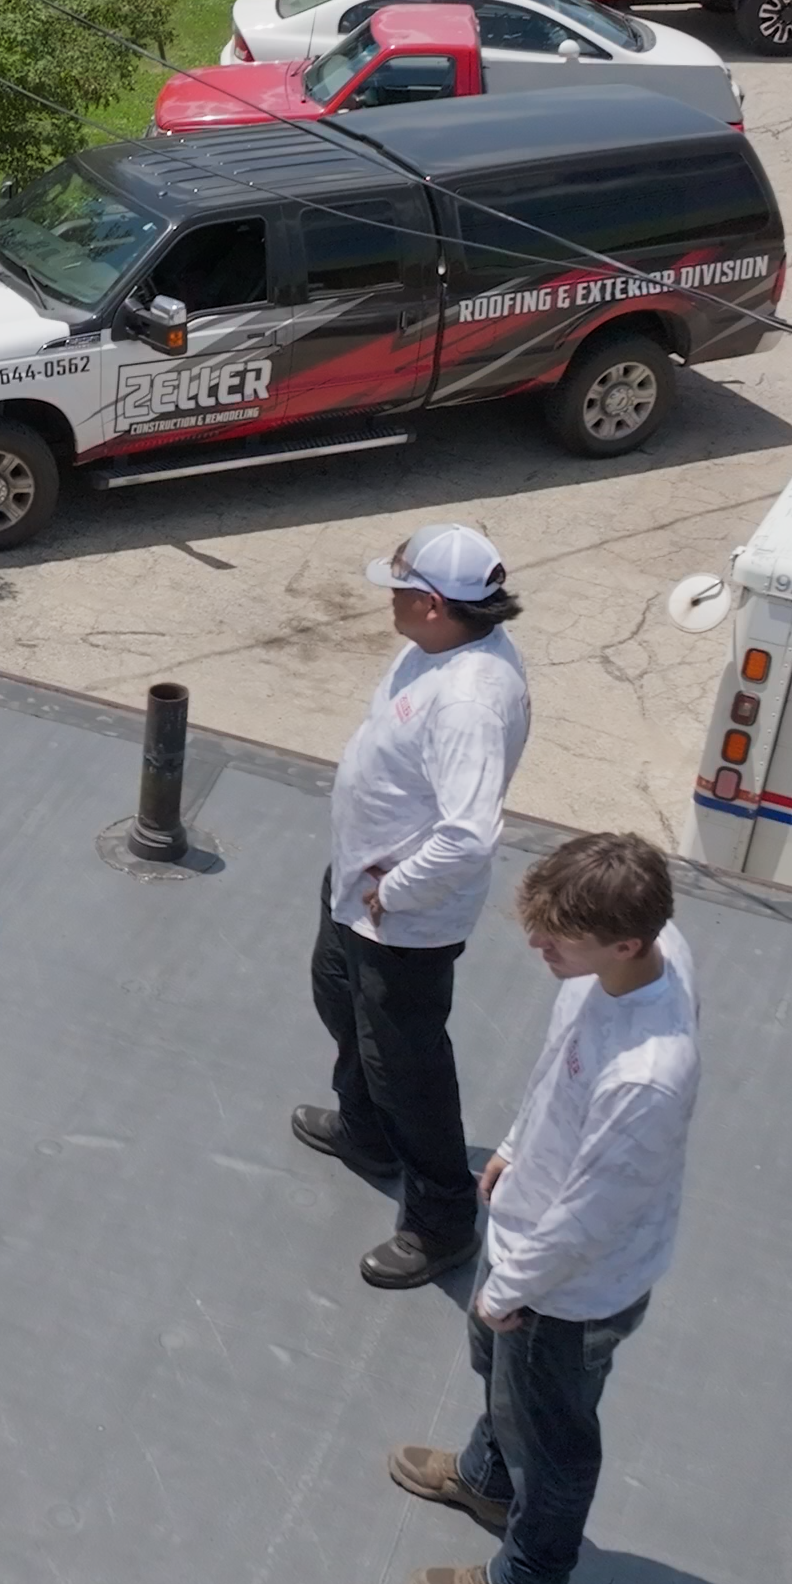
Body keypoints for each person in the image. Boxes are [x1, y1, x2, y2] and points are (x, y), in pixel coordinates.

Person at [389, 831, 698, 1584]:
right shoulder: (613, 969)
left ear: (628, 942)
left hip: (564, 1289)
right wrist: (521, 1145)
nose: (537, 946)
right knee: (503, 1383)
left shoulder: (648, 1075)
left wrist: (508, 1288)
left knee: (555, 1440)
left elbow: (592, 1215)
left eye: (558, 939)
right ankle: (490, 1477)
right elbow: (558, 1063)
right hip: (528, 1247)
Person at [291, 522, 532, 1288]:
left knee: (410, 1069)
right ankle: (367, 1133)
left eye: (398, 588)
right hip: (358, 887)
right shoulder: (434, 648)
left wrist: (391, 893)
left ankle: (441, 1220)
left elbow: (468, 835)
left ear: (432, 604)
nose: (387, 598)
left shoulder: (469, 700)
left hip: (402, 918)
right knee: (338, 998)